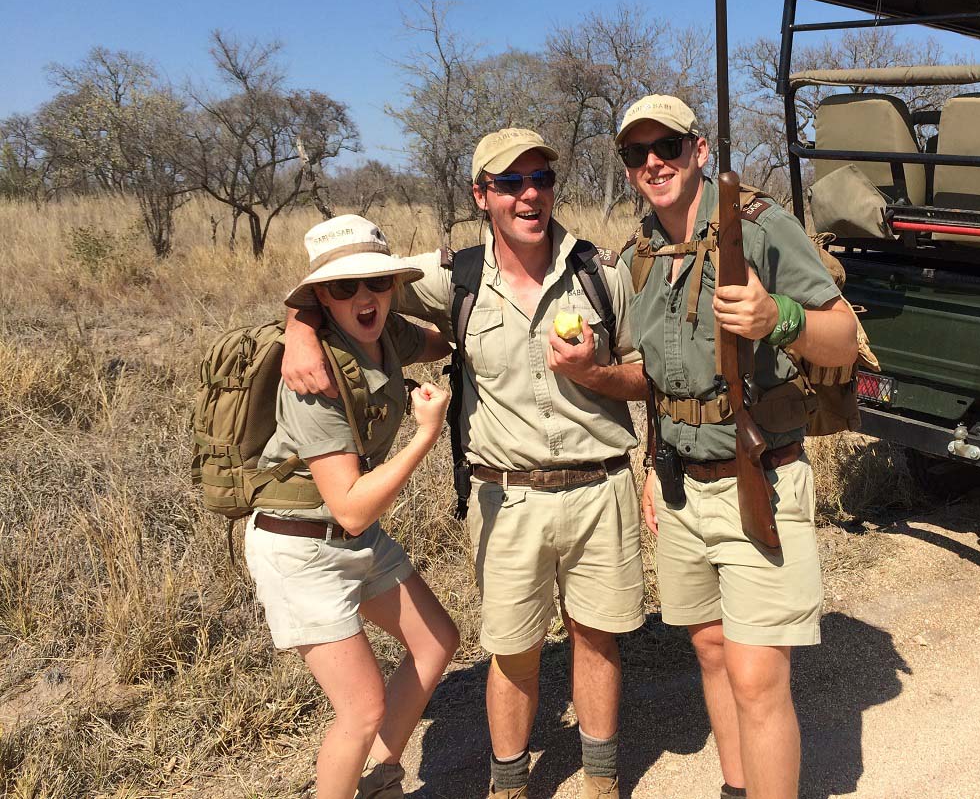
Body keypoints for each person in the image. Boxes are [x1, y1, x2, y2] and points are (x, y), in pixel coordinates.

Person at [282, 130, 647, 799]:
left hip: (601, 488)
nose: (527, 194)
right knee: (512, 651)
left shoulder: (602, 271)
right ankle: (507, 786)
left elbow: (647, 372)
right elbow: (346, 287)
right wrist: (298, 327)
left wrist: (597, 373)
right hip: (504, 498)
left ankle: (601, 780)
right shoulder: (455, 276)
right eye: (508, 184)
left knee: (596, 640)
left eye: (538, 178)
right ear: (482, 196)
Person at [616, 95, 859, 799]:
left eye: (668, 147)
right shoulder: (644, 250)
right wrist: (649, 472)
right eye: (638, 153)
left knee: (758, 677)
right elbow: (664, 379)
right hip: (679, 484)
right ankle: (736, 788)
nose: (654, 163)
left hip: (762, 472)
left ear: (699, 150)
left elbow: (843, 339)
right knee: (711, 651)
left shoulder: (760, 227)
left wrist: (775, 316)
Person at [247, 214, 460, 799]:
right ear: (322, 298)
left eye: (376, 283)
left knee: (436, 640)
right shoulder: (313, 376)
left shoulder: (389, 335)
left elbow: (451, 337)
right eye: (344, 288)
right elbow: (351, 509)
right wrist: (424, 435)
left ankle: (381, 780)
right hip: (301, 546)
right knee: (362, 709)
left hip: (351, 545)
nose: (363, 298)